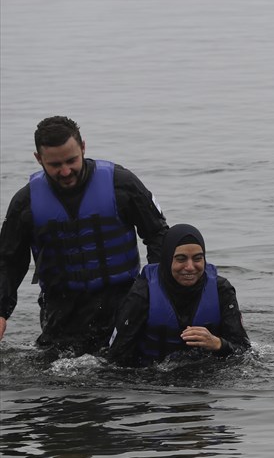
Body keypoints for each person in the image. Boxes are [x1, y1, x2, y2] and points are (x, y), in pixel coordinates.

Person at [0, 116, 168, 354]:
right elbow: (8, 262)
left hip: (124, 300)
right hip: (61, 308)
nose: (66, 171)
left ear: (83, 148)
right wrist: (1, 312)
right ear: (39, 159)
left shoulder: (121, 184)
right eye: (55, 165)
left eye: (72, 160)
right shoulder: (24, 203)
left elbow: (158, 235)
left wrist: (157, 293)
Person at [108, 223, 250, 366]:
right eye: (181, 259)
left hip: (206, 377)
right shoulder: (143, 292)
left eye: (197, 258)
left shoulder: (222, 290)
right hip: (153, 377)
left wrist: (218, 344)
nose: (190, 267)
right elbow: (116, 356)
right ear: (168, 259)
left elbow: (244, 350)